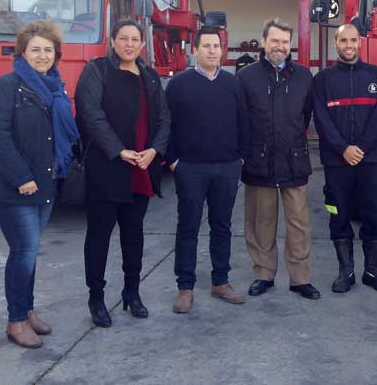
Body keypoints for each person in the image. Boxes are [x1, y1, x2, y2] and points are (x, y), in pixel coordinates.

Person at [0, 20, 79, 349]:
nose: (42, 55)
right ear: (22, 53)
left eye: (48, 50)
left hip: (45, 183)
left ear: (56, 54)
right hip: (14, 187)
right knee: (23, 251)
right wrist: (21, 177)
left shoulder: (54, 88)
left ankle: (27, 310)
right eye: (35, 49)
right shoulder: (6, 87)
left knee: (31, 251)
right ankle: (16, 321)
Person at [75, 19, 170, 327]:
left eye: (135, 39)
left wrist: (154, 151)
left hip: (141, 168)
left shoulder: (150, 76)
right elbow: (91, 115)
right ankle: (96, 297)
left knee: (133, 235)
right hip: (108, 167)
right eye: (123, 38)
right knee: (99, 236)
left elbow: (164, 119)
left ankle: (132, 292)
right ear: (112, 41)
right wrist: (118, 150)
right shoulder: (97, 71)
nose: (129, 44)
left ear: (142, 43)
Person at [165, 27, 250, 314]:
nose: (212, 51)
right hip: (190, 168)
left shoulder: (233, 84)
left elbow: (244, 121)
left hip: (227, 167)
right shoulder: (179, 84)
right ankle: (185, 287)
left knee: (222, 225)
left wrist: (240, 158)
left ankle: (220, 282)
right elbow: (166, 124)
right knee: (188, 226)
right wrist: (173, 161)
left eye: (216, 46)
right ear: (195, 49)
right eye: (206, 46)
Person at [238, 18, 320, 300]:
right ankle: (264, 274)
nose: (280, 47)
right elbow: (241, 119)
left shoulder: (304, 77)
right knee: (261, 222)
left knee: (299, 224)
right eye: (274, 41)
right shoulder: (246, 77)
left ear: (290, 45)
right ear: (263, 42)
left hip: (294, 160)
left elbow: (305, 115)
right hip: (258, 160)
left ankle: (300, 279)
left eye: (285, 42)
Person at [312, 23, 377, 294]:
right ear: (335, 44)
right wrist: (343, 149)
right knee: (339, 213)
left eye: (353, 40)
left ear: (360, 43)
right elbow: (321, 119)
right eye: (343, 41)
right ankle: (345, 272)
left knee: (374, 213)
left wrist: (361, 147)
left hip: (369, 160)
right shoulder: (322, 80)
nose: (349, 45)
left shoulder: (376, 75)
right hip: (337, 161)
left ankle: (373, 271)